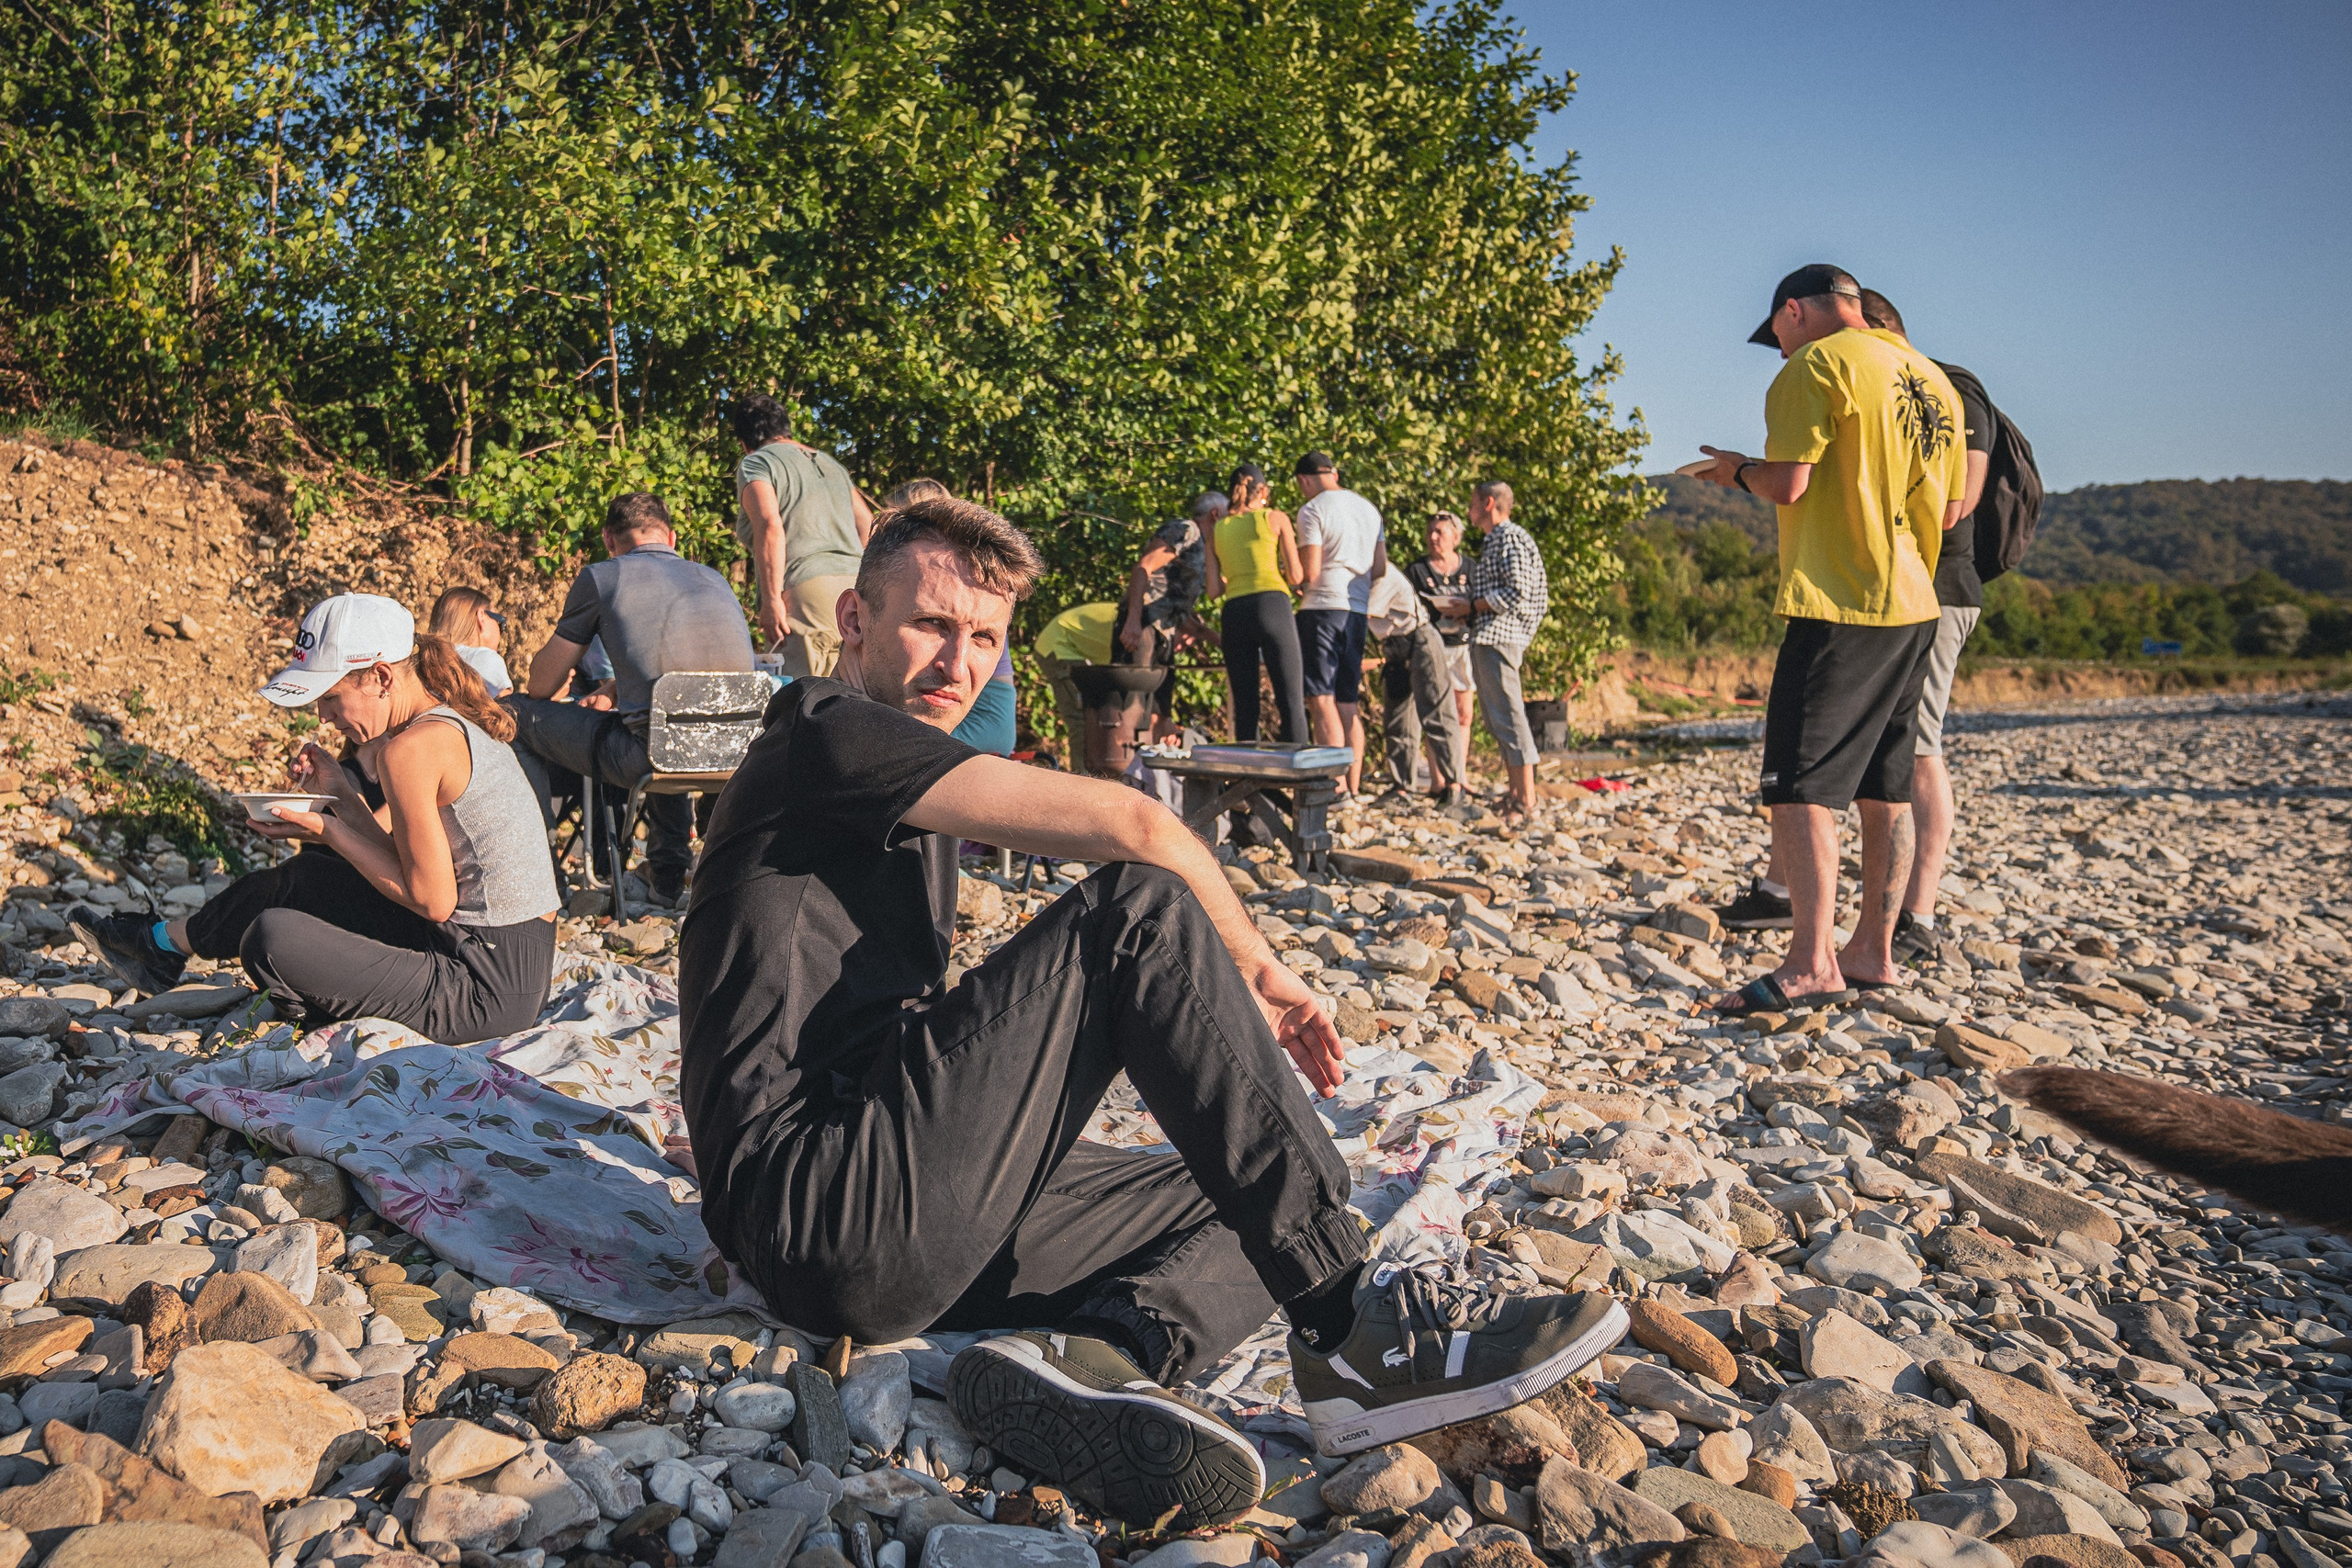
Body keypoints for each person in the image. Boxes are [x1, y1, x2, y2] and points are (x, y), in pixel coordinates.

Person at [676, 495, 1626, 1531]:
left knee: (1239, 1182)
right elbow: (1134, 824)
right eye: (931, 626)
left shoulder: (905, 774)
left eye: (984, 638)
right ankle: (1353, 1325)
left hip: (879, 1200)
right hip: (819, 1208)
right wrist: (1257, 967)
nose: (959, 662)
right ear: (855, 620)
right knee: (1137, 911)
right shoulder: (822, 732)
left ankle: (1103, 1359)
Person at [70, 594, 560, 1043]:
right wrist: (343, 798)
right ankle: (164, 950)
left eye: (329, 697)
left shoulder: (410, 750)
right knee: (307, 877)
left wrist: (327, 829)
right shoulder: (438, 726)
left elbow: (432, 899)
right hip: (508, 965)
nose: (323, 716)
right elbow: (412, 865)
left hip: (484, 988)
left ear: (382, 677)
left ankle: (304, 1003)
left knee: (271, 938)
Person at [1695, 264, 1964, 1010]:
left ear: (1794, 312)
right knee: (1886, 784)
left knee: (1801, 783)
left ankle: (1811, 961)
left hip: (1842, 597)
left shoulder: (1815, 367)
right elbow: (1948, 514)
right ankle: (1873, 952)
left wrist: (1735, 471)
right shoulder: (1928, 376)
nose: (1777, 350)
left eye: (1775, 334)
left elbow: (1790, 484)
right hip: (1916, 600)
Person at [509, 493, 756, 905]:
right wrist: (618, 689)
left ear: (609, 539)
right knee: (666, 726)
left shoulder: (603, 577)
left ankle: (543, 879)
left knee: (514, 712)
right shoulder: (714, 578)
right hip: (736, 755)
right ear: (672, 537)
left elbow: (540, 686)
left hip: (649, 757)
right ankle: (667, 880)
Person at [1856, 289, 1996, 968]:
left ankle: (1920, 914)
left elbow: (1955, 504)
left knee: (1919, 745)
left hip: (1938, 589)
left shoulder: (1949, 389)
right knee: (1898, 743)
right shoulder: (1916, 388)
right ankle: (1885, 909)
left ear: (1878, 329)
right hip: (1902, 587)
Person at [732, 393, 874, 677]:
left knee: (805, 705)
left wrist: (771, 600)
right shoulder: (832, 466)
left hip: (806, 594)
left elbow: (770, 526)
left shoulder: (756, 463)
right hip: (856, 591)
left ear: (744, 443)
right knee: (853, 699)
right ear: (785, 428)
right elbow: (869, 526)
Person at [1431, 482, 1548, 818]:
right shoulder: (1498, 539)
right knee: (1499, 717)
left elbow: (1517, 590)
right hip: (1490, 634)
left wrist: (1471, 606)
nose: (1468, 509)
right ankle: (1515, 794)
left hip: (1501, 634)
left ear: (1489, 502)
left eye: (1472, 502)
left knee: (1509, 715)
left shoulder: (1508, 536)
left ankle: (1526, 799)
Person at [1292, 453, 1388, 792]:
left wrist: (1293, 580)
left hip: (1321, 607)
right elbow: (1379, 568)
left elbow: (1311, 572)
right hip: (1357, 609)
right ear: (1333, 473)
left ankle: (1333, 786)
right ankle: (1353, 786)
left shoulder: (1313, 510)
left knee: (1321, 698)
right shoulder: (1369, 509)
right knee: (1348, 700)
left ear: (1303, 480)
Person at [1204, 464, 1306, 743]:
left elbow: (1213, 590)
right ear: (1262, 491)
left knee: (1245, 708)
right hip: (1272, 605)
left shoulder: (1216, 529)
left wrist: (1239, 576)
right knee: (1291, 701)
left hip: (1235, 612)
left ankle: (1247, 780)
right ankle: (1297, 782)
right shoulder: (1275, 518)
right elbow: (1297, 575)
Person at [1119, 492, 1221, 740]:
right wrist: (1133, 620)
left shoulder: (1205, 549)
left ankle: (1149, 775)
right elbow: (1143, 567)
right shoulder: (1187, 530)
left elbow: (1177, 610)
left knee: (1161, 710)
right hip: (1143, 625)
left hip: (1165, 633)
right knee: (1135, 705)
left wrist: (1218, 639)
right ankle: (1121, 767)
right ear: (1215, 514)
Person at [1366, 564, 1461, 802]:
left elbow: (1359, 613)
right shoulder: (1358, 573)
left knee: (1437, 713)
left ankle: (1455, 785)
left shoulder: (1381, 572)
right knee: (1398, 719)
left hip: (1419, 639)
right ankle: (1402, 787)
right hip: (1394, 645)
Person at [1405, 512, 1474, 786]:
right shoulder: (1418, 570)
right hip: (1433, 646)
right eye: (1430, 531)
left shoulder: (1470, 567)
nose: (1433, 537)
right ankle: (1438, 779)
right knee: (1437, 712)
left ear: (1455, 538)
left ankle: (1460, 774)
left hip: (1463, 644)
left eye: (1440, 532)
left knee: (1462, 712)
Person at [1032, 601, 1120, 761]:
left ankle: (1096, 775)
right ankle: (1081, 779)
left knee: (1099, 715)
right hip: (1058, 645)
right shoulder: (1139, 626)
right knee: (1083, 718)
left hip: (1074, 649)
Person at [428, 586, 513, 697]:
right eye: (500, 621)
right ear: (481, 617)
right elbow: (507, 711)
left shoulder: (425, 662)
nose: (501, 630)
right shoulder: (486, 659)